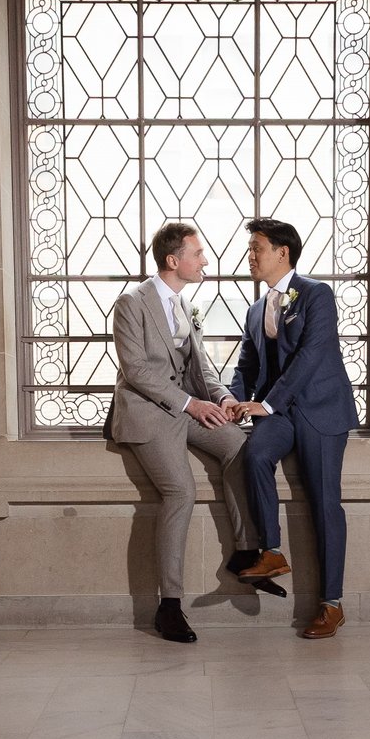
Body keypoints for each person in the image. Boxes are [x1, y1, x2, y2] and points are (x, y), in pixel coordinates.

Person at [110, 221, 249, 643]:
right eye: (198, 254)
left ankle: (248, 556)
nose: (205, 260)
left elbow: (200, 365)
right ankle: (168, 606)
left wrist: (223, 398)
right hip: (147, 413)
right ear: (174, 261)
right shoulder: (131, 303)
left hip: (186, 407)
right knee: (181, 491)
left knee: (240, 448)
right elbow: (135, 371)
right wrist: (191, 404)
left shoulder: (187, 305)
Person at [225, 217, 354, 640]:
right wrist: (232, 400)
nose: (250, 255)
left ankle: (331, 605)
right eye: (250, 248)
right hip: (278, 414)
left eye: (257, 247)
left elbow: (312, 356)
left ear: (282, 252)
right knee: (256, 455)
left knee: (324, 503)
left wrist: (265, 404)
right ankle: (272, 552)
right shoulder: (256, 309)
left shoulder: (317, 294)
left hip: (320, 410)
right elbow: (248, 364)